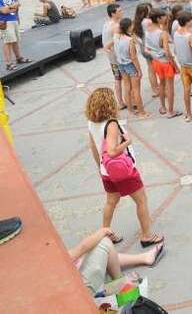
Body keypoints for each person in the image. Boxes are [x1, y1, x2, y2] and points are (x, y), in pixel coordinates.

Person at [85, 88, 163, 247]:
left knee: (111, 201)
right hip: (123, 171)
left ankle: (105, 234)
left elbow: (93, 147)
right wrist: (127, 142)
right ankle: (147, 235)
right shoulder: (111, 124)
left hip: (106, 170)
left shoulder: (91, 123)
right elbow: (112, 151)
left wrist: (100, 167)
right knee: (141, 200)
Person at [69, 227, 164, 297]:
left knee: (90, 255)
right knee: (104, 243)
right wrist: (102, 232)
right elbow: (79, 250)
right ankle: (122, 288)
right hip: (76, 294)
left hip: (68, 288)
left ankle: (144, 258)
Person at [145, 9, 180, 119]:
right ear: (158, 18)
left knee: (161, 84)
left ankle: (163, 107)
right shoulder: (162, 34)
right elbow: (167, 51)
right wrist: (175, 65)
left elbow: (147, 48)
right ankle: (171, 111)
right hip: (165, 62)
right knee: (170, 87)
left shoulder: (147, 31)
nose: (166, 18)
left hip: (156, 61)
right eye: (164, 17)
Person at [113, 18, 148, 118]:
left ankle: (130, 110)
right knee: (136, 90)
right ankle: (142, 112)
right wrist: (139, 70)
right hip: (130, 65)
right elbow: (133, 57)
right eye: (131, 25)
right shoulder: (129, 41)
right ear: (128, 27)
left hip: (121, 64)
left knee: (127, 88)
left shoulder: (116, 36)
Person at [102, 3, 126, 110]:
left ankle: (120, 102)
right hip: (118, 57)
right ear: (113, 13)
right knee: (126, 79)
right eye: (119, 11)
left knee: (117, 78)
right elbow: (116, 40)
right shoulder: (116, 26)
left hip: (111, 58)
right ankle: (130, 101)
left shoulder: (106, 24)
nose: (122, 12)